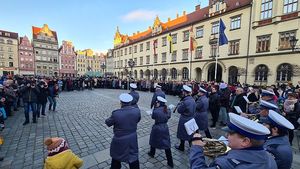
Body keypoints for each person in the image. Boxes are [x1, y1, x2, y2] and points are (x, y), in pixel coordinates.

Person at [190, 113, 277, 169]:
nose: (227, 135)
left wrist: (197, 147)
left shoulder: (228, 164)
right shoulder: (269, 157)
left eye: (230, 133)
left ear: (245, 141)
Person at [105, 93, 141, 169]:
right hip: (132, 139)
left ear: (121, 102)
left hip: (119, 139)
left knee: (116, 157)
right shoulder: (137, 111)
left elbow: (108, 123)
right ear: (130, 102)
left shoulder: (116, 113)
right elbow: (138, 120)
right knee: (133, 157)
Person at [148, 96, 173, 168]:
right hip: (165, 127)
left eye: (157, 102)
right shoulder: (167, 109)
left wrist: (155, 108)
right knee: (166, 144)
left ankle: (152, 153)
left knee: (153, 140)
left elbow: (153, 117)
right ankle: (170, 161)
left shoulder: (156, 110)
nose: (156, 103)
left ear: (160, 103)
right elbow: (168, 116)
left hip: (157, 127)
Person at [175, 85, 196, 151]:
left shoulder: (185, 101)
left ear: (185, 92)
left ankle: (181, 147)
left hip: (184, 119)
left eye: (183, 92)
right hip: (191, 118)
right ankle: (192, 147)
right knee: (190, 134)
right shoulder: (193, 99)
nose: (182, 93)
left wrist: (180, 105)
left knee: (182, 134)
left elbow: (179, 110)